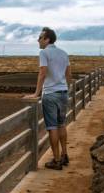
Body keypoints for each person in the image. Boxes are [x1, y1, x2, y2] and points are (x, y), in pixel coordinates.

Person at [23, 27, 71, 170]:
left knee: (52, 127)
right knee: (62, 124)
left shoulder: (43, 53)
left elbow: (42, 73)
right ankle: (64, 155)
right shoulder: (63, 53)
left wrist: (36, 93)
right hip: (63, 92)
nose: (38, 40)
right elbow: (69, 74)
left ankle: (56, 160)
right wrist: (65, 87)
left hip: (50, 94)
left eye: (40, 37)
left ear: (47, 39)